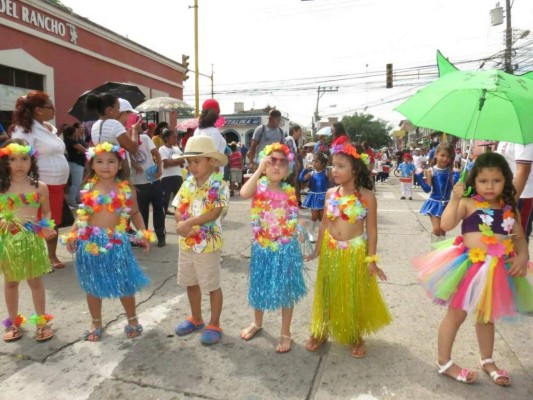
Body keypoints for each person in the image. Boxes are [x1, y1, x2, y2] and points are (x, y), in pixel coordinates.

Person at [413, 152, 533, 386]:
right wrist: (455, 199)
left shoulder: (508, 207)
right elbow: (446, 224)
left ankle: (487, 359)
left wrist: (523, 255)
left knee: (487, 317)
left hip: (498, 269)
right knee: (456, 313)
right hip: (468, 266)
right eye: (483, 181)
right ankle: (444, 360)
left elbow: (518, 236)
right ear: (473, 181)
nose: (490, 186)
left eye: (497, 181)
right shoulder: (468, 202)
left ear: (506, 182)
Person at [305, 143, 391, 357]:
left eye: (341, 166)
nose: (334, 170)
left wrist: (371, 259)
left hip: (354, 252)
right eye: (333, 165)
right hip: (331, 250)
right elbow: (324, 224)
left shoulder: (367, 196)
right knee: (326, 292)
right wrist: (317, 250)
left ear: (355, 170)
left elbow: (371, 230)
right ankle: (321, 331)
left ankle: (355, 334)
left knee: (353, 294)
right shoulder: (330, 193)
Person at [62, 142, 154, 342]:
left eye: (111, 161)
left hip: (116, 242)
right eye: (100, 161)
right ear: (92, 164)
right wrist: (72, 233)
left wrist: (143, 234)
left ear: (120, 164)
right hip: (90, 242)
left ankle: (132, 319)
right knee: (92, 285)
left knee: (125, 283)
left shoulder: (126, 187)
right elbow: (81, 214)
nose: (106, 165)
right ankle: (96, 321)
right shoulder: (88, 187)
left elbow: (136, 213)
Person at [239, 142, 306, 353]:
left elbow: (294, 216)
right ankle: (257, 322)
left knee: (286, 290)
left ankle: (285, 332)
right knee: (259, 287)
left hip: (286, 249)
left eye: (282, 162)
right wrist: (258, 169)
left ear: (288, 169)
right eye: (271, 161)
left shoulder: (289, 192)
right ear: (265, 165)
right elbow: (242, 193)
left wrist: (299, 229)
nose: (276, 166)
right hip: (263, 247)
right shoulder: (258, 187)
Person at [172, 136, 229, 345]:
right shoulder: (187, 182)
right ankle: (196, 318)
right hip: (187, 242)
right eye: (189, 162)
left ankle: (214, 323)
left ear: (211, 162)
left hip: (208, 245)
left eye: (197, 161)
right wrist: (181, 223)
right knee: (191, 282)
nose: (192, 166)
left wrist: (189, 223)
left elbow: (214, 212)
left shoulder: (219, 185)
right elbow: (178, 207)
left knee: (212, 285)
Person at [0, 139, 57, 342]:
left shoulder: (39, 187)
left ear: (31, 160)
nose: (19, 164)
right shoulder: (2, 188)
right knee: (11, 282)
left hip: (32, 240)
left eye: (24, 159)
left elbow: (47, 210)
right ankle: (14, 323)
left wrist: (47, 225)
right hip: (8, 241)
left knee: (35, 281)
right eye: (13, 159)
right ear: (5, 162)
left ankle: (42, 321)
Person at [10, 91, 70, 270]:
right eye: (50, 107)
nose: (54, 110)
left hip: (57, 183)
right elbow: (22, 154)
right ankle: (33, 257)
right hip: (39, 183)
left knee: (53, 221)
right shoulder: (24, 129)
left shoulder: (46, 128)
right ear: (38, 110)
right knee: (35, 221)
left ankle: (51, 256)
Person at [130, 125, 166, 247]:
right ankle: (144, 239)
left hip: (153, 181)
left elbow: (157, 154)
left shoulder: (145, 138)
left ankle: (161, 236)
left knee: (158, 209)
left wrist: (160, 170)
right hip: (138, 183)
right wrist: (134, 165)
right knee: (141, 213)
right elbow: (126, 158)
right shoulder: (125, 142)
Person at [417, 142, 456, 241]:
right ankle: (433, 251)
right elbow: (427, 189)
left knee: (443, 229)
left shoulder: (450, 171)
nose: (445, 159)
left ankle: (440, 253)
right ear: (436, 155)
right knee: (436, 228)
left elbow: (452, 187)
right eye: (442, 155)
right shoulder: (431, 171)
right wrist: (419, 177)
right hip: (435, 203)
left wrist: (457, 176)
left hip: (447, 204)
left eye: (448, 156)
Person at [497, 141, 533, 243]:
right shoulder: (507, 134)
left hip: (521, 194)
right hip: (504, 192)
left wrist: (511, 202)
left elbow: (524, 170)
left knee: (517, 240)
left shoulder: (526, 133)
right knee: (504, 238)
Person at [298, 151, 329, 242]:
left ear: (323, 164)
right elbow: (301, 179)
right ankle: (311, 232)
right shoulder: (311, 173)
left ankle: (321, 233)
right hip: (314, 196)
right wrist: (304, 170)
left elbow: (334, 181)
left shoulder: (326, 172)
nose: (314, 163)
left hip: (324, 196)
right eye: (313, 161)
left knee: (321, 217)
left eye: (316, 161)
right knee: (314, 216)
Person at [158, 129, 184, 215]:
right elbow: (166, 162)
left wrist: (173, 162)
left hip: (177, 175)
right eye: (173, 138)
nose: (175, 140)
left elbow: (183, 161)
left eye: (176, 138)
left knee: (179, 197)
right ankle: (164, 211)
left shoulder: (177, 149)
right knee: (166, 197)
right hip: (166, 176)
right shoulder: (162, 149)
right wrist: (177, 161)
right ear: (166, 138)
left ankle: (179, 213)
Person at [64, 125, 87, 207]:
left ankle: (78, 199)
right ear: (73, 132)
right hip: (76, 163)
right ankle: (72, 201)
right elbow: (83, 150)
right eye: (76, 131)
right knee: (76, 183)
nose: (77, 132)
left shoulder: (73, 139)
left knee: (78, 183)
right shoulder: (71, 141)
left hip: (77, 162)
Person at [285, 125, 303, 207]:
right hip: (289, 167)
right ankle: (292, 204)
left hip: (291, 167)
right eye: (299, 131)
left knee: (294, 185)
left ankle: (295, 203)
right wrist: (297, 162)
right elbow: (291, 152)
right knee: (292, 185)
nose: (300, 133)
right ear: (294, 131)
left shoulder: (293, 141)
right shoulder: (289, 139)